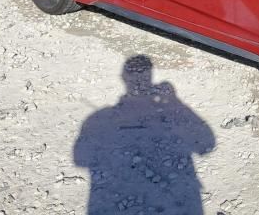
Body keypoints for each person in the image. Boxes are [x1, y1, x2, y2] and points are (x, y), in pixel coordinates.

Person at [74, 55, 215, 214]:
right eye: (137, 77)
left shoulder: (98, 119)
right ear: (124, 78)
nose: (139, 82)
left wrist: (174, 102)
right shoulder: (99, 119)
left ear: (122, 78)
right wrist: (174, 102)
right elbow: (207, 145)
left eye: (143, 76)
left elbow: (81, 158)